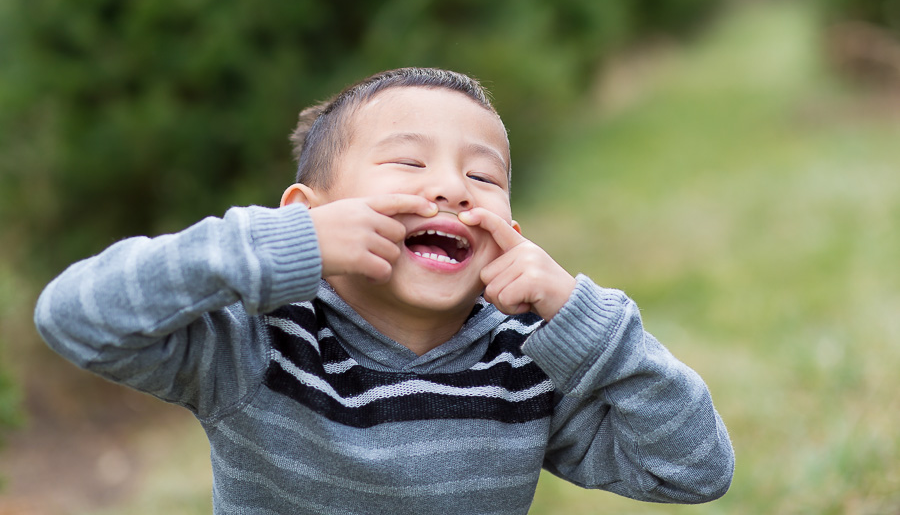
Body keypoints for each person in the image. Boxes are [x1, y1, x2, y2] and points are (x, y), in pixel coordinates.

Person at [35, 67, 734, 514]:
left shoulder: (523, 370)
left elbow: (693, 469)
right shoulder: (258, 348)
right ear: (308, 214)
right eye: (407, 162)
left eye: (483, 177)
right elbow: (75, 316)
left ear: (507, 232)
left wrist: (584, 318)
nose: (451, 188)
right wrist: (283, 249)